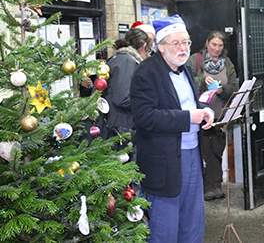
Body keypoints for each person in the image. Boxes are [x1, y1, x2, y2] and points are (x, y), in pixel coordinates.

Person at [130, 15, 214, 243]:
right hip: (164, 161)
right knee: (164, 228)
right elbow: (144, 117)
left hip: (192, 155)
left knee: (193, 221)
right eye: (175, 43)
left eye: (186, 42)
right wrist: (188, 118)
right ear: (160, 46)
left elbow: (190, 104)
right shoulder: (145, 72)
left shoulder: (185, 69)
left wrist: (205, 111)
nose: (182, 48)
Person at [188, 31, 238, 201]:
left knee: (217, 151)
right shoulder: (195, 60)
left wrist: (222, 90)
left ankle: (216, 186)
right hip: (200, 116)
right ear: (207, 43)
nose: (216, 48)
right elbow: (184, 81)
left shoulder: (227, 63)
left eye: (220, 45)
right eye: (214, 44)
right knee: (203, 152)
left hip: (220, 116)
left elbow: (234, 87)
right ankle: (203, 188)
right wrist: (202, 81)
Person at [101, 28, 152, 143]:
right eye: (148, 51)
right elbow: (123, 99)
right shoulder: (126, 61)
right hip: (119, 127)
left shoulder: (121, 59)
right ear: (143, 47)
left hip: (117, 124)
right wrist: (148, 101)